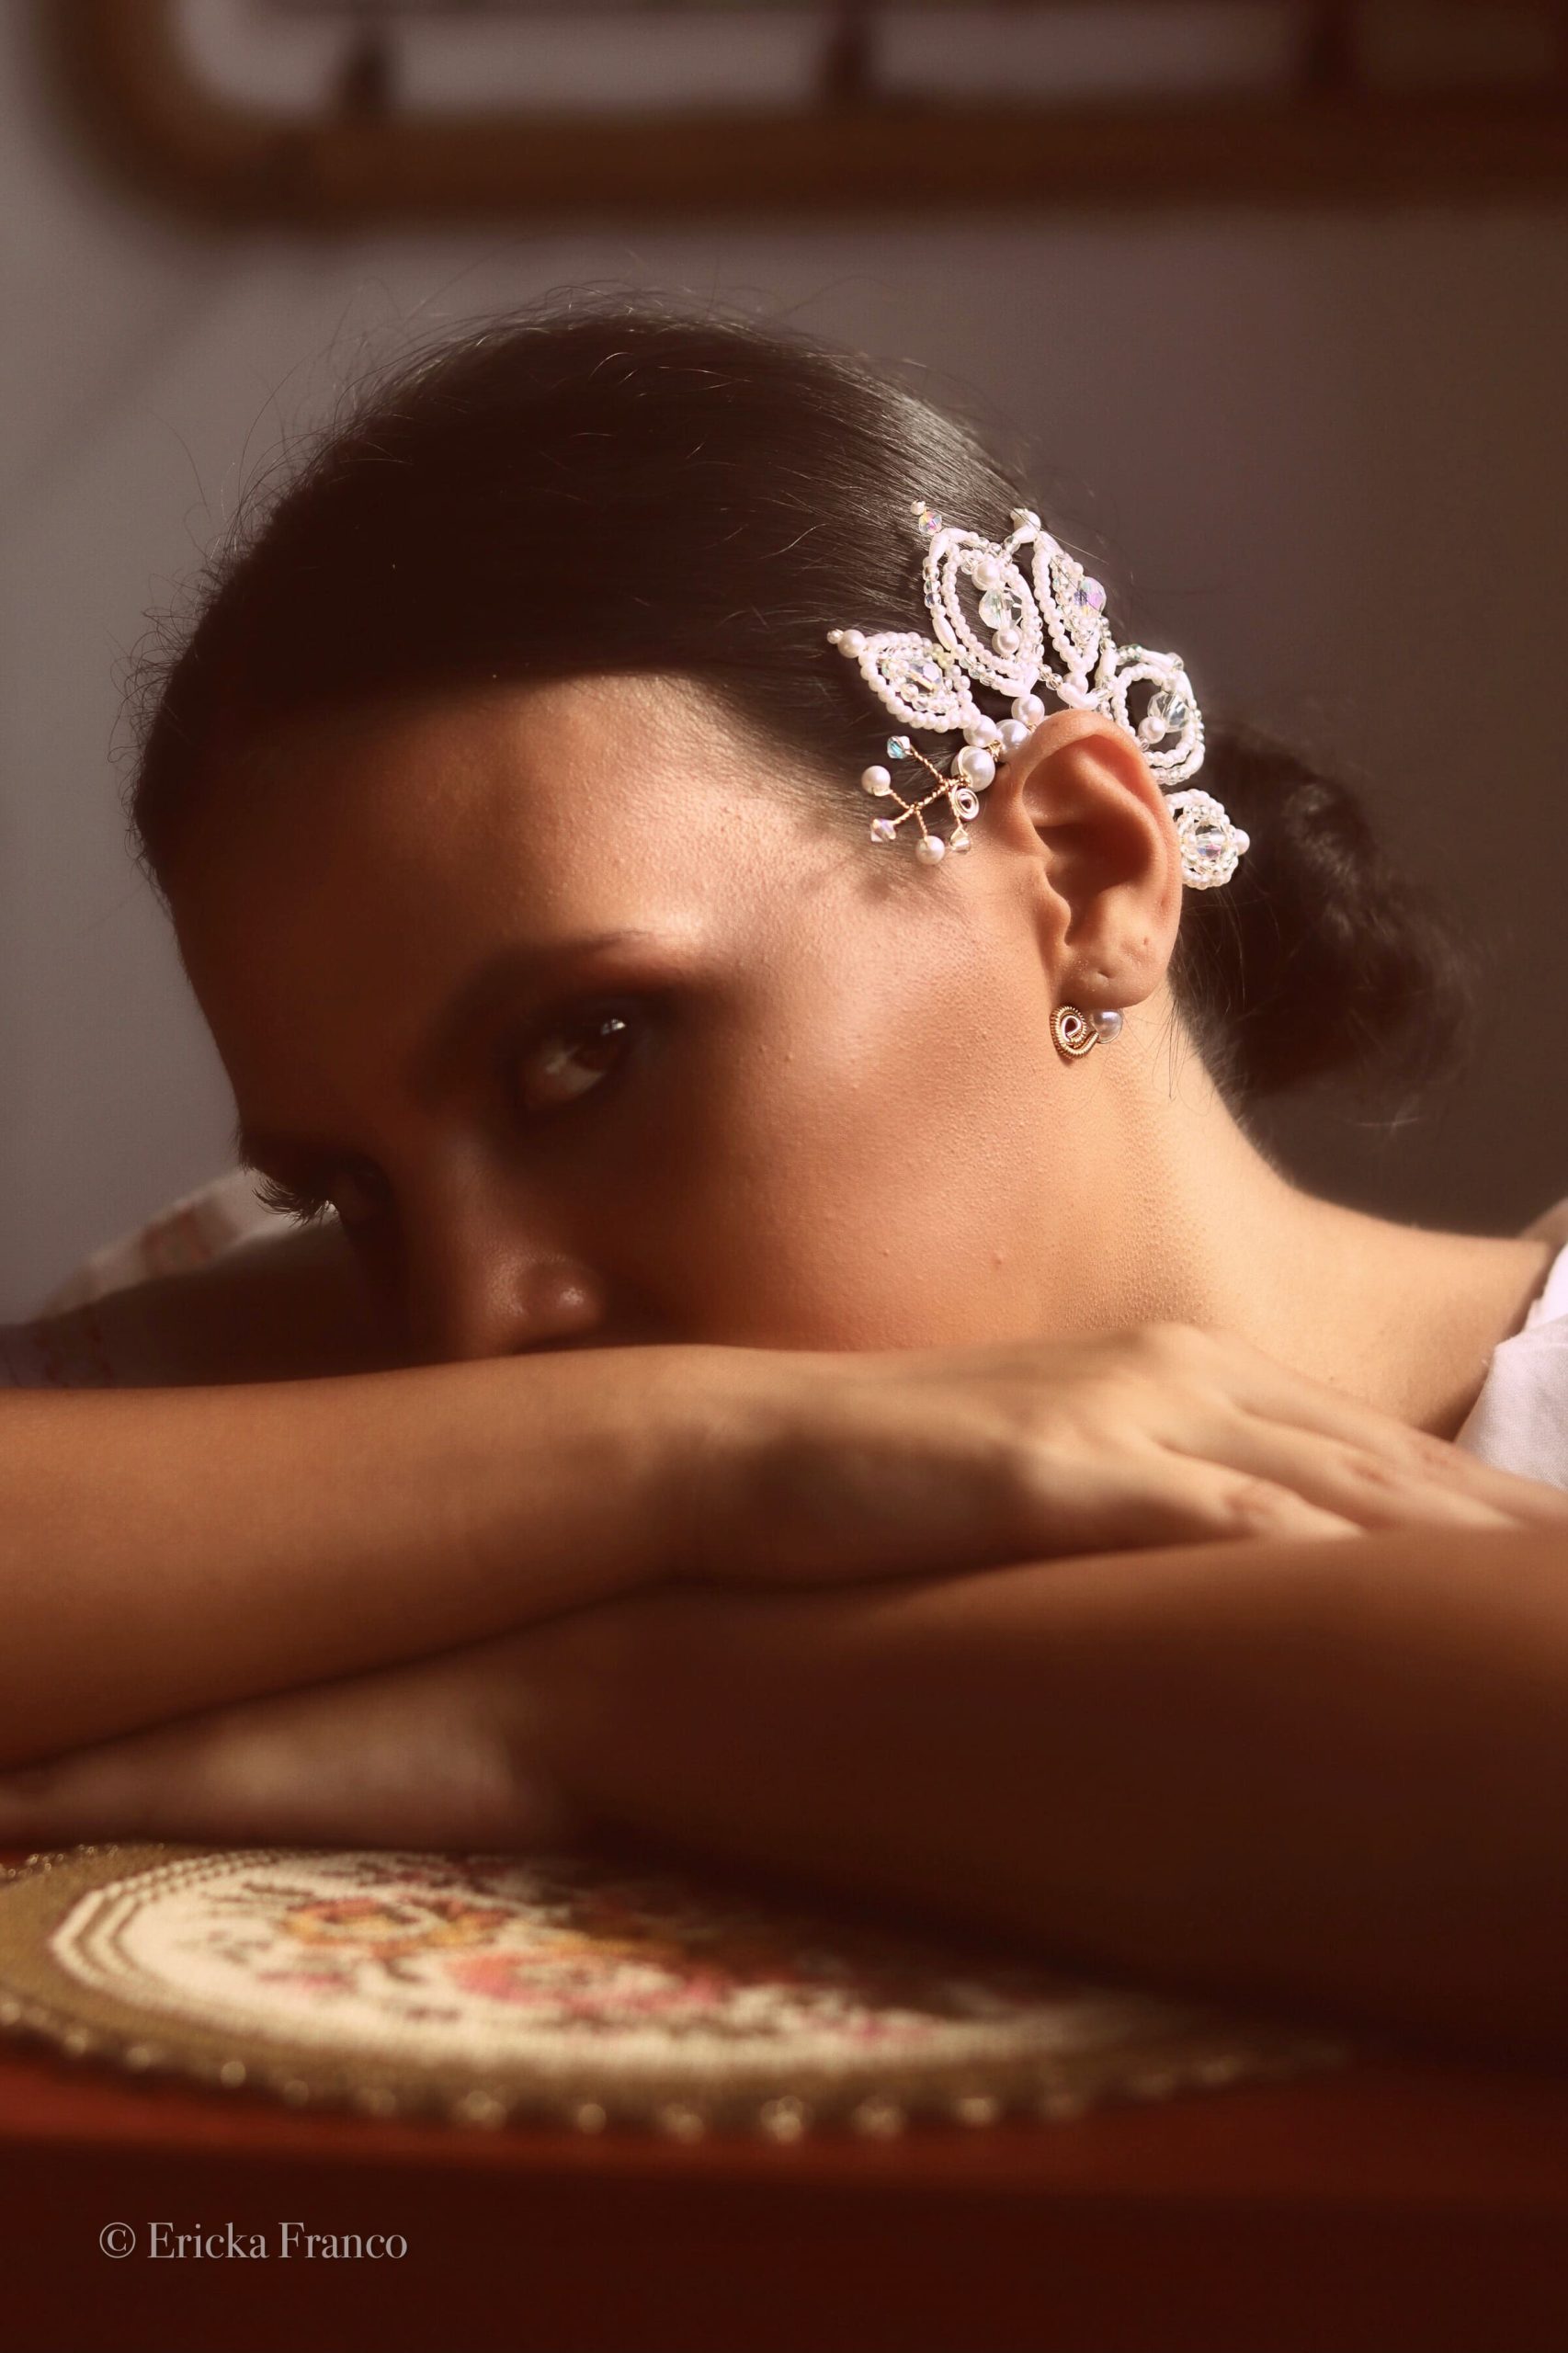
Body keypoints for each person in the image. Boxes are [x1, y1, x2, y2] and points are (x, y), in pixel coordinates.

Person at [4, 301, 1566, 2054]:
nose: (476, 1326)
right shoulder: (347, 1385)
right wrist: (702, 1454)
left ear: (1085, 868)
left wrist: (600, 1704)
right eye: (353, 1194)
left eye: (586, 1051)